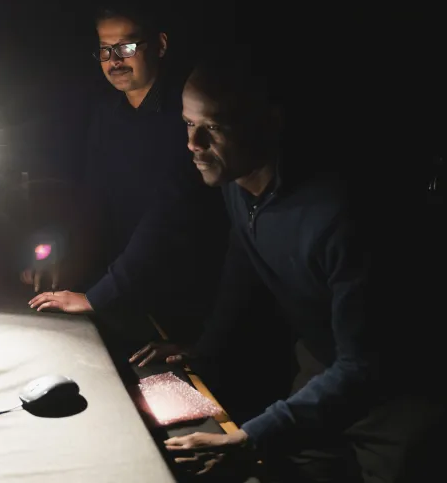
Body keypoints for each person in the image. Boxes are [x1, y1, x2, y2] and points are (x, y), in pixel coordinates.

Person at [131, 51, 444, 482]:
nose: (194, 143)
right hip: (321, 366)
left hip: (400, 399)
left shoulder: (340, 215)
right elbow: (243, 259)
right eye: (188, 123)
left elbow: (365, 366)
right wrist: (205, 346)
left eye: (214, 127)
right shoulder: (237, 180)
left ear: (269, 122)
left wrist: (251, 438)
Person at [26, 0, 228, 347]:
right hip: (122, 286)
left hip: (185, 293)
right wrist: (60, 254)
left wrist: (98, 297)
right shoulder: (107, 112)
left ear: (160, 45)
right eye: (105, 50)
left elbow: (169, 216)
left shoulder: (187, 116)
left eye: (126, 47)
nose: (115, 61)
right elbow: (90, 197)